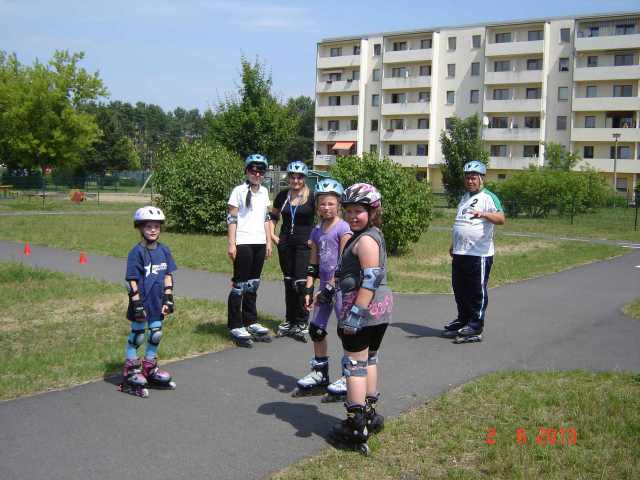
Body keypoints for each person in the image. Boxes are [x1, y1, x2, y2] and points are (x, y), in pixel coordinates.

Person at [330, 183, 392, 451]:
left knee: (354, 365)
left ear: (373, 211)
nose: (353, 216)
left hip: (364, 310)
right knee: (369, 359)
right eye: (350, 211)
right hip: (381, 311)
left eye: (360, 211)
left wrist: (355, 314)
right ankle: (370, 412)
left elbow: (370, 279)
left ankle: (355, 424)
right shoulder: (372, 234)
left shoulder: (365, 240)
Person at [291, 178, 352, 399]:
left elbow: (344, 263)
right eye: (322, 204)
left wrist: (330, 287)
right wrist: (308, 289)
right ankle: (320, 373)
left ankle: (349, 376)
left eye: (331, 204)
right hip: (324, 288)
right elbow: (313, 264)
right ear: (317, 206)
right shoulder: (316, 231)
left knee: (347, 331)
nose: (326, 208)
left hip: (341, 287)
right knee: (316, 329)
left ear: (339, 205)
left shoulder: (343, 228)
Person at [443, 160, 506, 344]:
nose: (470, 181)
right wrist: (453, 244)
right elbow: (461, 223)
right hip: (460, 252)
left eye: (473, 178)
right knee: (459, 289)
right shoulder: (464, 198)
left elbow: (501, 218)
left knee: (476, 290)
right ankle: (463, 320)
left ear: (481, 179)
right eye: (468, 178)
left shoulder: (489, 197)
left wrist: (484, 214)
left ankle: (476, 324)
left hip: (479, 254)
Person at [119, 206, 177, 398]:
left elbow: (168, 274)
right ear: (140, 228)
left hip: (157, 301)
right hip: (141, 302)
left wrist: (168, 298)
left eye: (157, 226)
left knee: (155, 334)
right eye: (149, 226)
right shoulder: (136, 252)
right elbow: (131, 280)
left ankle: (150, 367)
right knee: (137, 336)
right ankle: (131, 370)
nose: (153, 230)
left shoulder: (164, 251)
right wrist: (136, 303)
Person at [226, 154, 273, 348]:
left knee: (253, 284)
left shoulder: (263, 192)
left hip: (259, 242)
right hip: (243, 242)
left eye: (260, 171)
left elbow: (266, 218)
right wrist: (231, 243)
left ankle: (250, 321)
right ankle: (235, 324)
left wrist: (269, 242)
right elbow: (232, 218)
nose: (257, 174)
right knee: (239, 285)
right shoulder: (238, 190)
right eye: (253, 170)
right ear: (247, 171)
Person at [270, 161, 316, 342]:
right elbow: (273, 216)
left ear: (304, 179)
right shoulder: (282, 196)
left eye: (299, 177)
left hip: (305, 246)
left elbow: (323, 218)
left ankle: (302, 321)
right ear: (288, 177)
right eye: (292, 177)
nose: (295, 180)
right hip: (286, 244)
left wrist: (316, 238)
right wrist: (272, 236)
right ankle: (289, 320)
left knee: (301, 284)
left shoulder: (312, 197)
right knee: (289, 283)